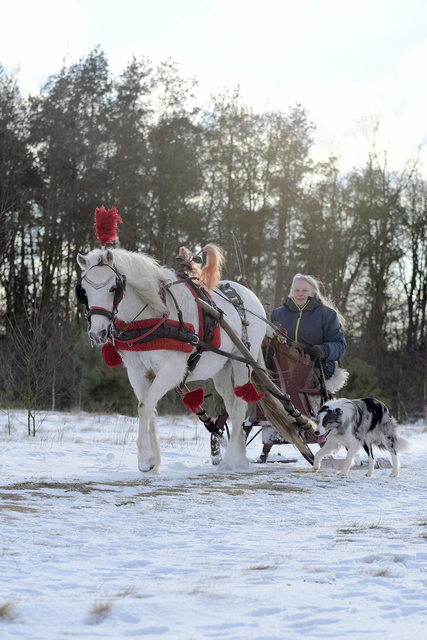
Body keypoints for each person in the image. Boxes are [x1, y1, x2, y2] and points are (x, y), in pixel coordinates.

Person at [270, 274, 346, 380]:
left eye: (305, 290)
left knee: (294, 381)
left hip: (316, 367)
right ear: (292, 293)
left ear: (313, 294)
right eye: (297, 290)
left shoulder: (327, 314)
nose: (300, 294)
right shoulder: (277, 314)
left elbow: (340, 345)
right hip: (282, 367)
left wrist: (323, 350)